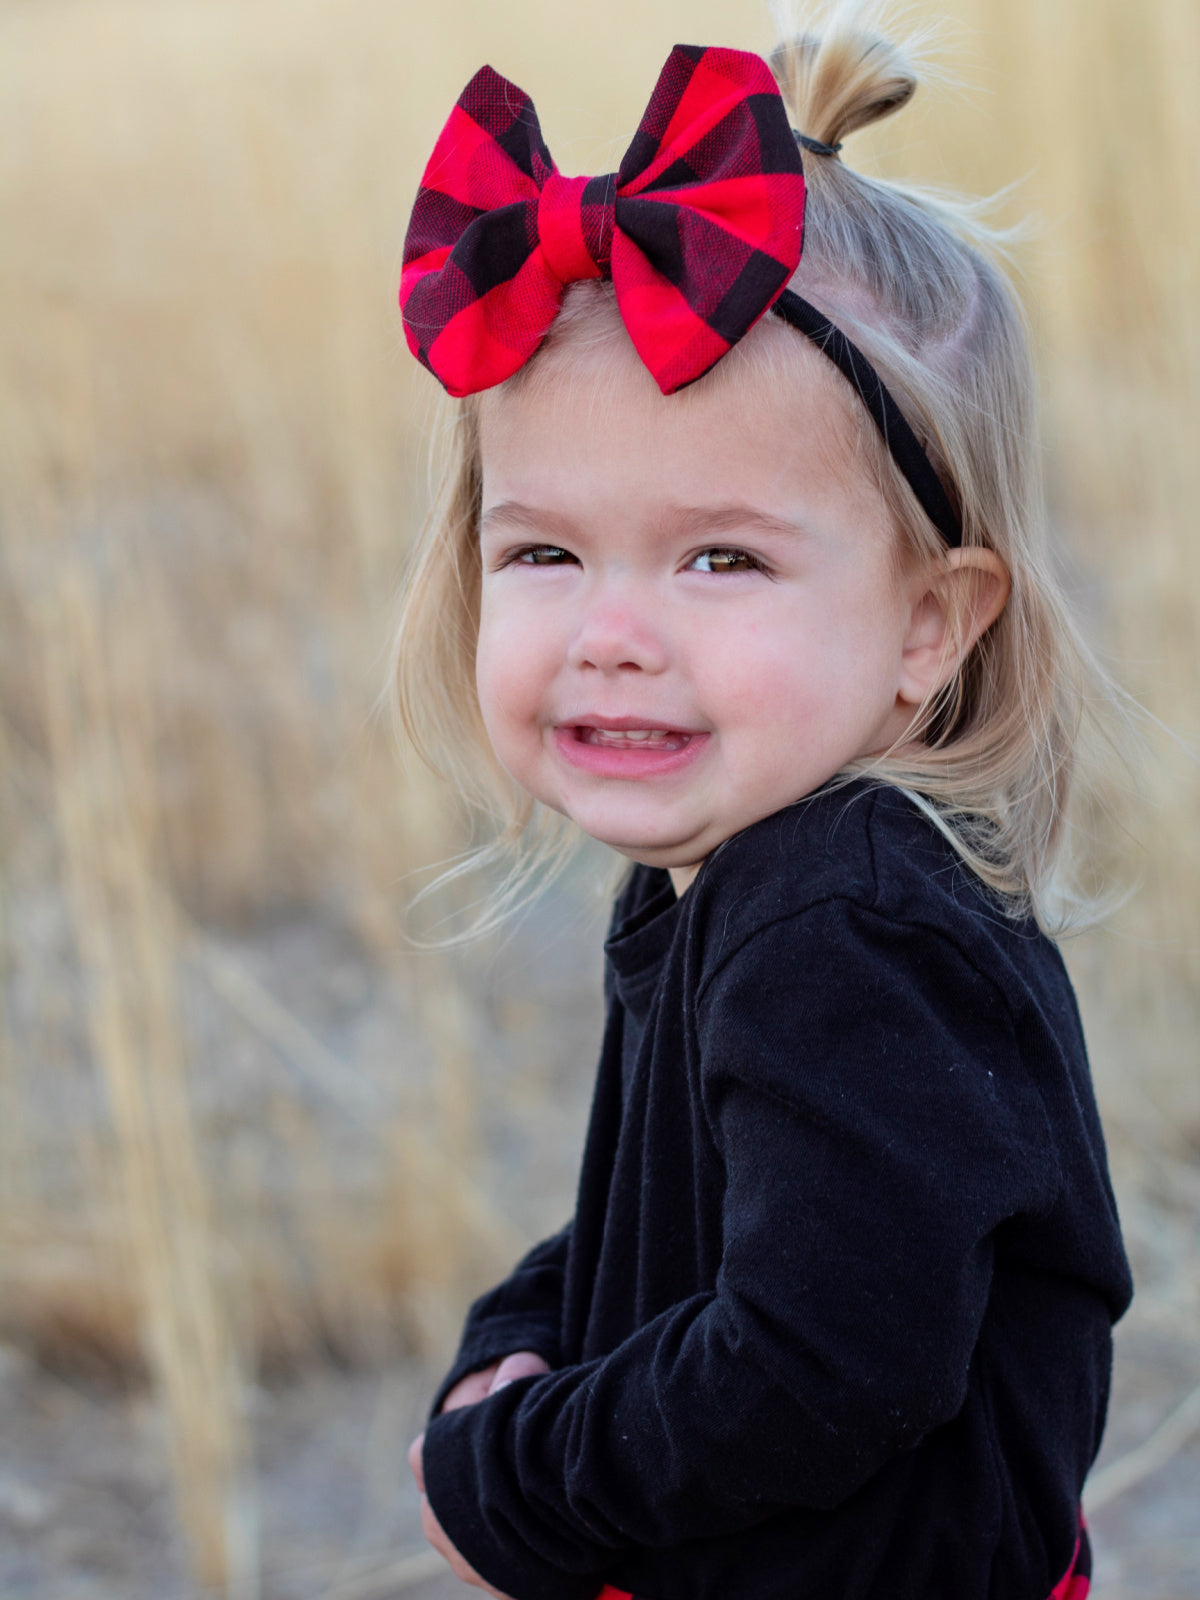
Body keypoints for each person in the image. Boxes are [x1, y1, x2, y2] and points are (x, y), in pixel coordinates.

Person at [392, 11, 1132, 1598]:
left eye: (721, 558)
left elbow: (821, 1357)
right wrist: (521, 1342)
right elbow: (706, 1228)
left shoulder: (840, 911)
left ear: (930, 623)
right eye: (545, 552)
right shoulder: (747, 862)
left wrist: (516, 1478)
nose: (614, 630)